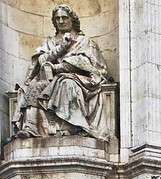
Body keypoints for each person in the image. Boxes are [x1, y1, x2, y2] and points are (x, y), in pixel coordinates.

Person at [12, 4, 109, 140]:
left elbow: (88, 64)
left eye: (64, 17)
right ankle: (31, 127)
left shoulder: (84, 41)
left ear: (72, 20)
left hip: (79, 81)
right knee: (34, 86)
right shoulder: (49, 42)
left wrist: (58, 68)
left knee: (66, 83)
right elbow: (40, 60)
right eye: (57, 18)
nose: (61, 21)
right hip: (50, 80)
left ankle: (73, 125)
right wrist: (61, 48)